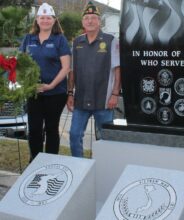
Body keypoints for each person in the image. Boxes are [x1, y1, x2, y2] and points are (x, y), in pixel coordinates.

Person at [67, 1, 120, 157]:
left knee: (106, 139)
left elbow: (117, 69)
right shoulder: (77, 42)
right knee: (74, 135)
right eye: (87, 18)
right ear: (83, 22)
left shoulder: (111, 41)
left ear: (99, 21)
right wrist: (70, 93)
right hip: (81, 100)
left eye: (93, 17)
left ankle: (104, 168)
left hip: (104, 100)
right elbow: (72, 71)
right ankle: (79, 166)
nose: (90, 21)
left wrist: (115, 94)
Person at [19, 3, 71, 162]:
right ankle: (35, 161)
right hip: (33, 92)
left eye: (49, 18)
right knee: (34, 129)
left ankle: (50, 162)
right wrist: (27, 83)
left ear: (54, 20)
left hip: (55, 93)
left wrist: (51, 85)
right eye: (42, 17)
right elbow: (20, 64)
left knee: (51, 129)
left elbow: (66, 67)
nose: (45, 20)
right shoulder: (28, 39)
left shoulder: (60, 40)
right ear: (37, 20)